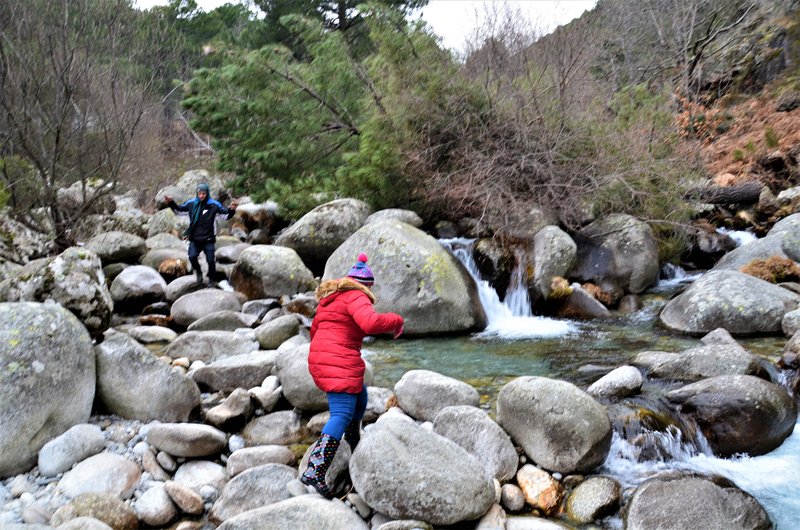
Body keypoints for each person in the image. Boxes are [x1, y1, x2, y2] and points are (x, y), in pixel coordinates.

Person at [301, 253, 404, 498]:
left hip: (322, 357)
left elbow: (315, 329)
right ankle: (315, 470)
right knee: (342, 413)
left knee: (359, 396)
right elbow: (369, 323)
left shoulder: (332, 298)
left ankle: (352, 439)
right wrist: (396, 321)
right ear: (366, 285)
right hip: (336, 359)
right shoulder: (357, 295)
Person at [164, 183, 238, 287]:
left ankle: (212, 279)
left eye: (203, 194)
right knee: (192, 256)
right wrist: (171, 203)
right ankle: (199, 273)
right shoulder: (191, 204)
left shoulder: (214, 205)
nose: (201, 196)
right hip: (195, 239)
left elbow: (225, 216)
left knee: (210, 260)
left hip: (208, 239)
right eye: (199, 194)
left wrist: (232, 209)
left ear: (207, 193)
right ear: (197, 194)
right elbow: (178, 211)